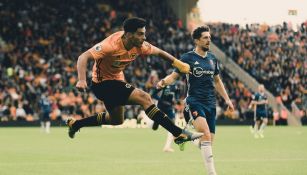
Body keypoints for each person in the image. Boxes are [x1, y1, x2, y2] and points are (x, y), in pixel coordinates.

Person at [66, 17, 203, 145]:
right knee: (144, 98)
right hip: (102, 83)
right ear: (128, 34)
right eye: (140, 34)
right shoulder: (110, 45)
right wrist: (81, 80)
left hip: (116, 79)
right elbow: (83, 57)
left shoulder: (140, 45)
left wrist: (178, 64)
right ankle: (178, 133)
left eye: (144, 33)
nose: (144, 37)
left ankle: (76, 124)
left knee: (116, 120)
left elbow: (160, 52)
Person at [156, 25, 234, 175]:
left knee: (207, 142)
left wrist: (227, 99)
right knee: (204, 133)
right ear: (197, 40)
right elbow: (174, 76)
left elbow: (217, 81)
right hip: (194, 101)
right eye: (205, 38)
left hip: (211, 103)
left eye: (209, 38)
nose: (208, 40)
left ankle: (188, 137)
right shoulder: (187, 58)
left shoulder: (212, 59)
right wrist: (163, 82)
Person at [151, 82, 179, 152]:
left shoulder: (175, 86)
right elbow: (153, 94)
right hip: (160, 108)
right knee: (155, 128)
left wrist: (176, 100)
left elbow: (177, 94)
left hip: (169, 109)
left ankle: (167, 147)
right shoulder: (163, 84)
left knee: (173, 126)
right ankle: (143, 116)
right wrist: (162, 101)